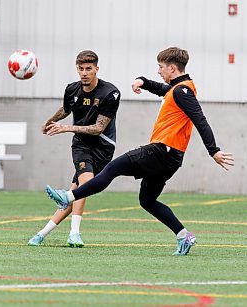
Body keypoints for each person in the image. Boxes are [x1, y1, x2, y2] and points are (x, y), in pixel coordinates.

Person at [46, 47, 234, 255]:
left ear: (172, 68)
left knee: (113, 168)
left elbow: (200, 119)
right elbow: (162, 89)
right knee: (147, 201)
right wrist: (142, 81)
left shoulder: (182, 91)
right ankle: (183, 236)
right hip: (172, 158)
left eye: (161, 67)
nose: (159, 71)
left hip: (162, 150)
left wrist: (213, 150)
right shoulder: (179, 89)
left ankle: (68, 197)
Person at [28, 50, 121, 247]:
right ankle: (74, 234)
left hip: (104, 146)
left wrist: (66, 128)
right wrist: (50, 121)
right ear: (77, 69)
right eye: (81, 69)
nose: (84, 72)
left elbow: (98, 128)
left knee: (75, 193)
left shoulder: (110, 93)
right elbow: (66, 108)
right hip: (81, 145)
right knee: (85, 183)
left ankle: (41, 234)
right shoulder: (72, 89)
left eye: (89, 68)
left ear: (97, 69)